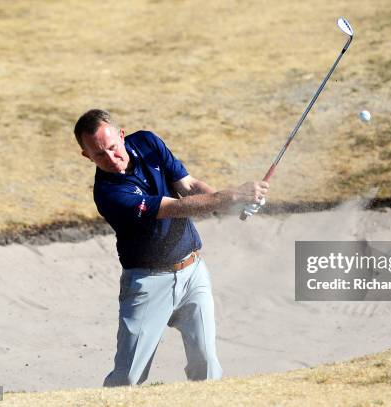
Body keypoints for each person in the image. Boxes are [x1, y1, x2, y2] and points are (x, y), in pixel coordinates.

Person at [73, 109, 269, 386]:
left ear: (121, 135)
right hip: (148, 283)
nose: (111, 159)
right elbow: (175, 207)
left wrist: (234, 204)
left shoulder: (148, 143)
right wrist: (232, 195)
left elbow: (188, 187)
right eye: (99, 155)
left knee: (207, 366)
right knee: (128, 378)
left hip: (193, 273)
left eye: (113, 148)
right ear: (86, 156)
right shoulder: (109, 193)